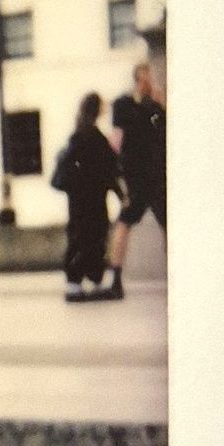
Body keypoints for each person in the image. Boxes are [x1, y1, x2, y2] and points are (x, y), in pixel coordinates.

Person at [102, 60, 166, 300]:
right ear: (139, 78)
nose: (150, 81)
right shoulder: (124, 104)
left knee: (164, 223)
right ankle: (116, 278)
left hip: (156, 174)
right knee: (125, 222)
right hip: (137, 175)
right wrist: (117, 174)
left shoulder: (156, 106)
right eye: (147, 76)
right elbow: (117, 139)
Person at [51, 93, 122, 302]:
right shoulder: (95, 137)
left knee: (80, 238)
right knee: (95, 238)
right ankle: (92, 280)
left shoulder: (79, 135)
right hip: (94, 199)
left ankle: (76, 282)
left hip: (79, 200)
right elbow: (109, 170)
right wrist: (120, 193)